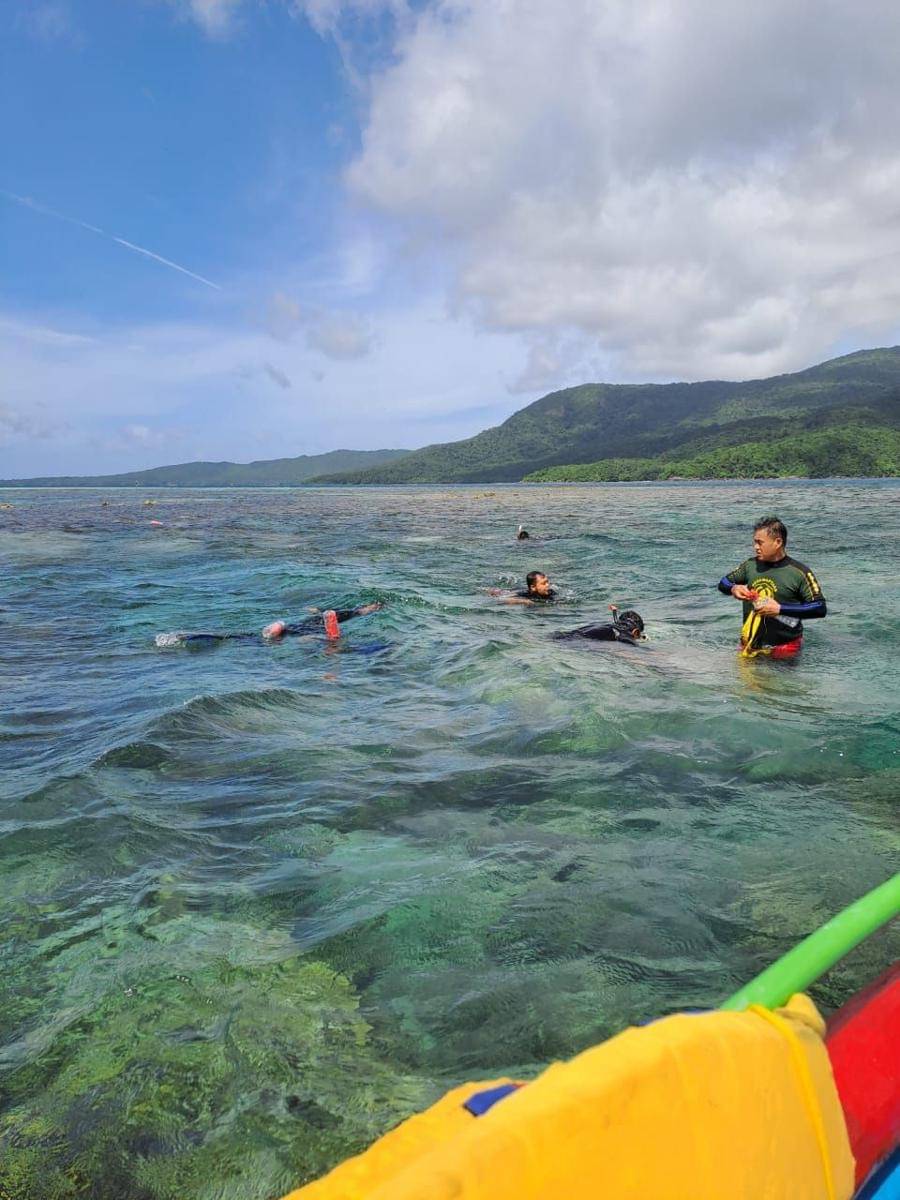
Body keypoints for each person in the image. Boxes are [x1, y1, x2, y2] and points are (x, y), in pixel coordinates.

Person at [718, 516, 826, 658]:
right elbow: (723, 583)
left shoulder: (799, 572)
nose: (755, 547)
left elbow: (819, 608)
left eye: (760, 543)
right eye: (754, 542)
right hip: (750, 645)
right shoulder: (750, 565)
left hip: (785, 648)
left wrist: (780, 609)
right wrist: (733, 588)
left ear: (778, 542)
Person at [156, 602, 382, 647]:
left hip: (289, 629)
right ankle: (334, 641)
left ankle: (186, 636)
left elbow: (352, 611)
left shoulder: (318, 616)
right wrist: (367, 610)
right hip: (299, 632)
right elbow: (355, 612)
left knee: (238, 638)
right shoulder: (343, 614)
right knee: (321, 641)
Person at [553, 607, 645, 645]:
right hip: (575, 642)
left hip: (566, 637)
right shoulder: (623, 634)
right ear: (635, 632)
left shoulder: (606, 626)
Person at [489, 571, 557, 605]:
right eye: (544, 583)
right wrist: (523, 601)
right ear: (533, 587)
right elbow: (500, 599)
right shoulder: (525, 596)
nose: (548, 585)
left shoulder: (551, 592)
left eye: (547, 582)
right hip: (517, 592)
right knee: (498, 592)